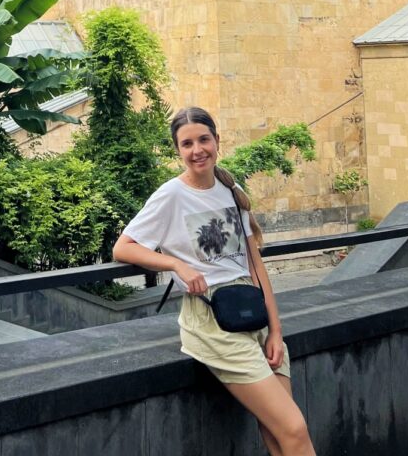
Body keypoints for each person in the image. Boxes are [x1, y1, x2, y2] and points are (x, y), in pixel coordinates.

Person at [113, 107, 316, 456]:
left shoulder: (230, 189)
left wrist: (276, 331)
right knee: (294, 427)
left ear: (217, 141)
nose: (197, 150)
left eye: (203, 140)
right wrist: (176, 264)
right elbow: (123, 247)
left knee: (278, 430)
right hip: (212, 320)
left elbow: (255, 266)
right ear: (178, 150)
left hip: (253, 312)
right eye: (187, 143)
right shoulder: (171, 195)